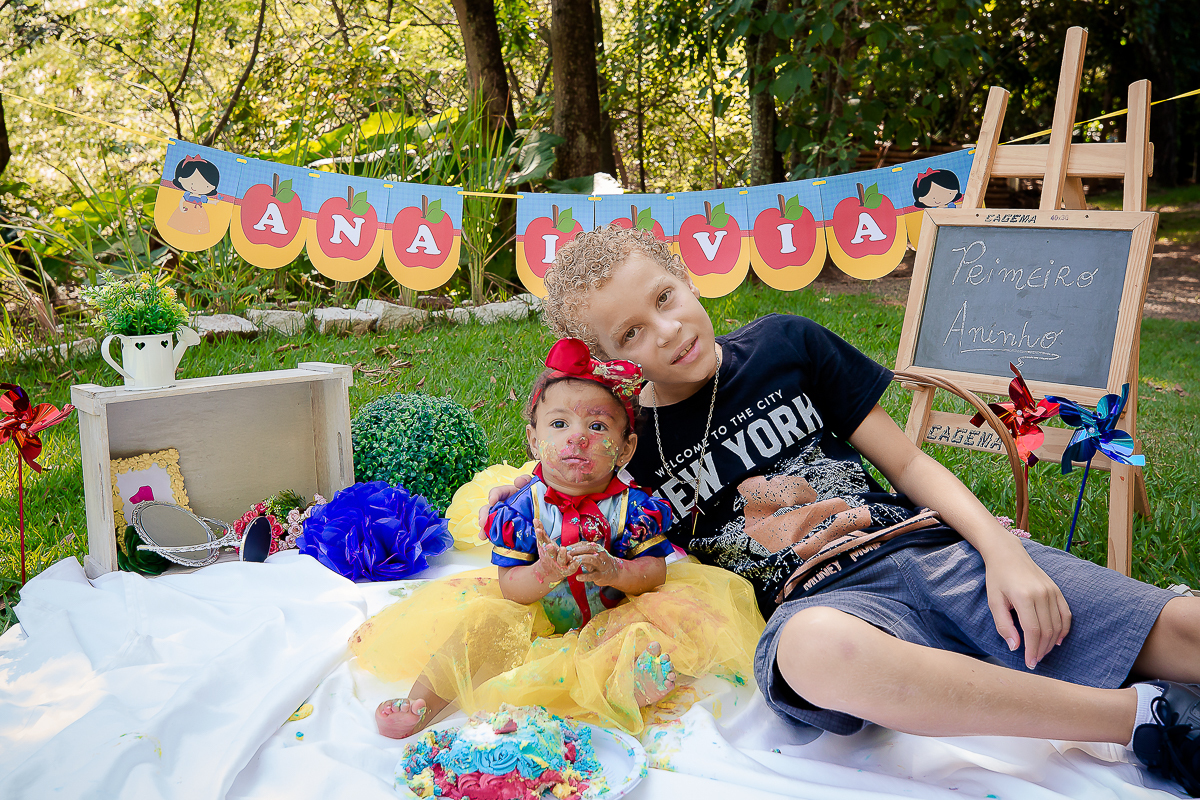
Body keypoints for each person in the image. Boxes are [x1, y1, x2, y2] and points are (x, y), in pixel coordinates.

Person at [482, 225, 1200, 796]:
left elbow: (910, 463)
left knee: (1187, 629)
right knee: (814, 653)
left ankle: (1117, 675)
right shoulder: (630, 450)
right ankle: (1142, 721)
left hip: (928, 552)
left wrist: (1001, 551)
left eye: (664, 299)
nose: (665, 332)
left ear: (686, 278)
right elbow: (567, 492)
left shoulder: (786, 345)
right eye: (631, 334)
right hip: (823, 607)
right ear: (610, 358)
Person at [354, 337, 763, 739]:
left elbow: (654, 573)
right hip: (539, 612)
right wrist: (543, 572)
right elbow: (511, 589)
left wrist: (616, 570)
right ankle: (420, 703)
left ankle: (626, 688)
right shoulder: (522, 510)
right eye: (560, 423)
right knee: (477, 628)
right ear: (534, 440)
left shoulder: (632, 508)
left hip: (614, 613)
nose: (578, 436)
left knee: (654, 634)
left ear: (624, 449)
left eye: (597, 425)